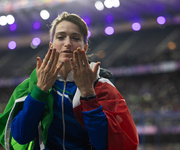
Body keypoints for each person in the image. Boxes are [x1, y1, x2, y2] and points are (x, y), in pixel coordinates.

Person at [0, 12, 139, 150]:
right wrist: (39, 91)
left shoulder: (100, 85)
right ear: (51, 45)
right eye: (60, 37)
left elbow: (103, 145)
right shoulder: (32, 84)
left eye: (75, 38)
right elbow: (21, 136)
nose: (67, 44)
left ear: (85, 47)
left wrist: (88, 94)